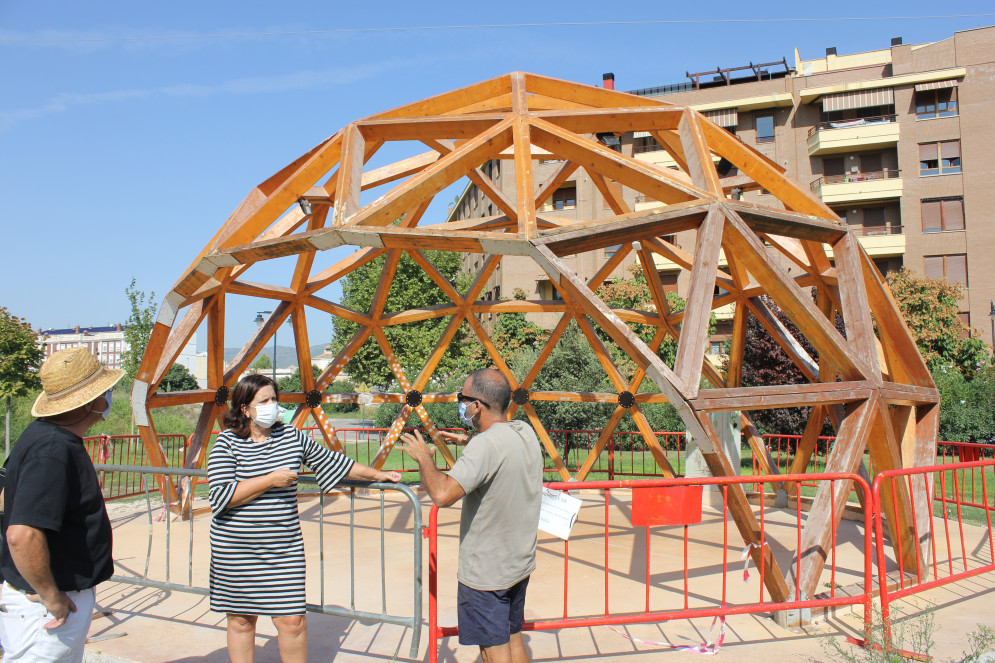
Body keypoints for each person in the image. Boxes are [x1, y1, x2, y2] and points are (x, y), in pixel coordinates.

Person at [208, 373, 401, 663]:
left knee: (292, 621)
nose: (273, 405)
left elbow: (335, 462)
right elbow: (221, 498)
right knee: (241, 621)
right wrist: (270, 480)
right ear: (245, 409)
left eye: (275, 399)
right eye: (265, 401)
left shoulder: (291, 437)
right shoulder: (227, 444)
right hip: (237, 549)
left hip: (283, 548)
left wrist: (378, 474)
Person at [400, 369, 542, 663]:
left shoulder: (485, 445)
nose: (461, 404)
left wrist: (424, 457)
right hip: (518, 564)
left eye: (462, 398)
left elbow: (442, 493)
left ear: (477, 405)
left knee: (493, 652)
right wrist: (467, 442)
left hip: (487, 573)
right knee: (514, 641)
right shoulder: (524, 432)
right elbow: (499, 451)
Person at [0, 346, 123, 662]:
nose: (108, 397)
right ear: (89, 401)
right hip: (50, 608)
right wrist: (49, 594)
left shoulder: (45, 437)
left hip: (48, 599)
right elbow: (22, 534)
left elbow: (6, 499)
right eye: (104, 391)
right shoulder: (53, 450)